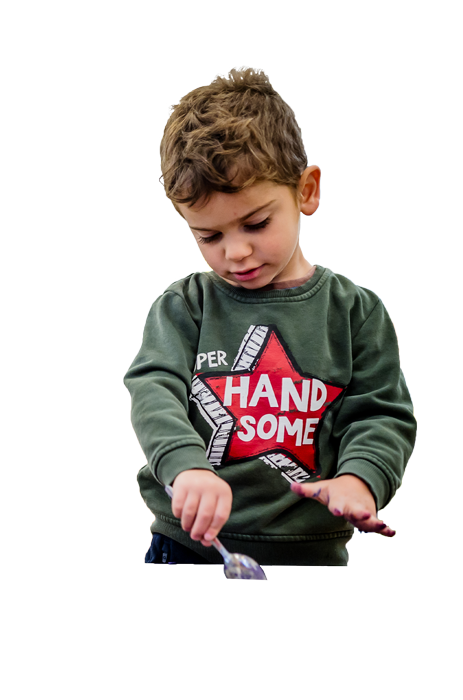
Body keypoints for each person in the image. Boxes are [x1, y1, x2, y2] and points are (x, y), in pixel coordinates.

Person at [124, 68, 416, 567]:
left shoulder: (355, 313)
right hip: (189, 548)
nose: (235, 252)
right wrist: (185, 466)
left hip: (311, 556)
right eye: (209, 236)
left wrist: (359, 478)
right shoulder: (186, 306)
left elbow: (380, 414)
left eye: (255, 223)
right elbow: (154, 389)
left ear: (306, 192)